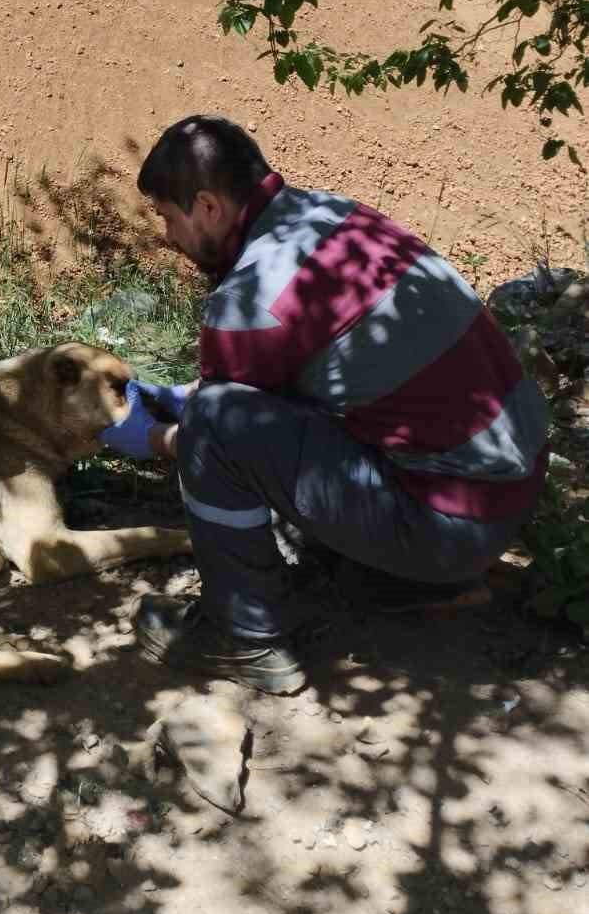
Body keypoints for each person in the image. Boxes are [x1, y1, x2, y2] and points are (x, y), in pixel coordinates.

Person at [98, 116, 549, 694]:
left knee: (214, 425)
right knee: (226, 414)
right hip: (507, 494)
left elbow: (228, 423)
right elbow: (287, 379)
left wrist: (151, 437)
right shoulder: (335, 217)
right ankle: (417, 582)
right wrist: (183, 395)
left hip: (449, 522)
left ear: (207, 207)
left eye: (167, 216)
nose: (166, 236)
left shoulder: (252, 298)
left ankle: (244, 638)